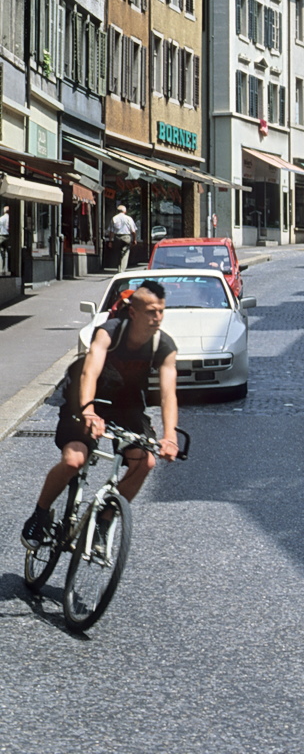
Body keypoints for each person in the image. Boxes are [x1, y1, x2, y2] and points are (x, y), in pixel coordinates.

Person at [21, 281, 179, 551]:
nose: (157, 318)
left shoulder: (162, 345)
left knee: (146, 462)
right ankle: (40, 513)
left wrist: (170, 435)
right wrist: (89, 411)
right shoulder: (109, 332)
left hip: (126, 404)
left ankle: (102, 524)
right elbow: (89, 372)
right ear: (134, 313)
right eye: (151, 312)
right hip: (84, 397)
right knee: (74, 460)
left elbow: (168, 394)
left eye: (161, 311)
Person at [109, 204, 137, 272]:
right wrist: (134, 239)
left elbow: (111, 231)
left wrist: (110, 241)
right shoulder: (129, 218)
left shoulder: (114, 218)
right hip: (126, 237)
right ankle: (121, 270)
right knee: (125, 253)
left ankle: (119, 268)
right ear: (125, 211)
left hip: (117, 237)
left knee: (118, 253)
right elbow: (133, 231)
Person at [0, 205, 9, 274]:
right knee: (9, 253)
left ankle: (2, 268)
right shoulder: (12, 218)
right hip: (9, 236)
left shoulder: (2, 218)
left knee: (2, 253)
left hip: (2, 236)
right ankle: (8, 268)